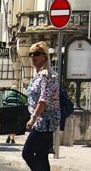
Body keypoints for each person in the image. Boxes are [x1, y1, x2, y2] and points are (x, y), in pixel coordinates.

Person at [22, 41, 60, 171]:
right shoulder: (38, 75)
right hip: (42, 120)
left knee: (27, 153)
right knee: (41, 156)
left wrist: (33, 118)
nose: (33, 57)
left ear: (44, 56)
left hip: (44, 121)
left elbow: (44, 99)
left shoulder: (47, 75)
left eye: (36, 54)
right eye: (31, 54)